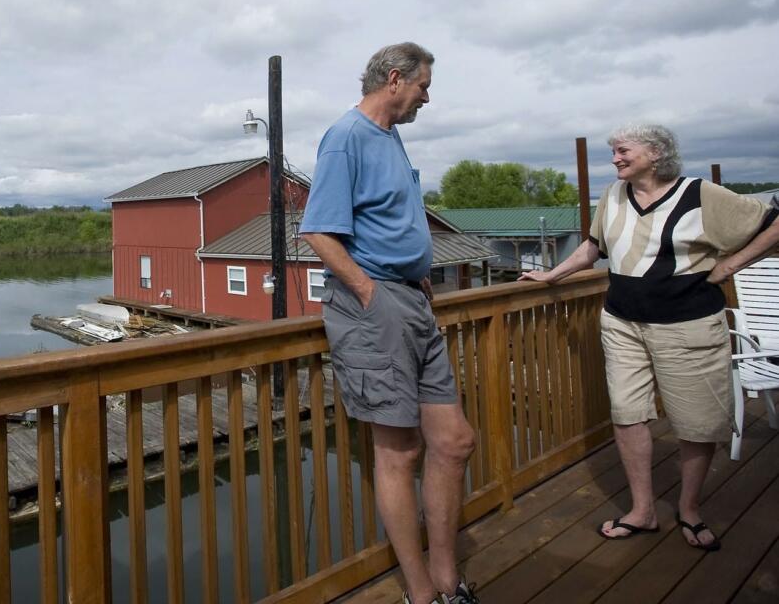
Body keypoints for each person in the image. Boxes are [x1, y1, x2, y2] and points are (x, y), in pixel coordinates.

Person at [520, 124, 779, 551]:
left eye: (623, 151)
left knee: (696, 422)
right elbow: (592, 248)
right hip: (622, 323)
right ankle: (642, 511)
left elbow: (772, 224)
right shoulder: (613, 195)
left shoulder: (701, 195)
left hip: (689, 325)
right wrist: (551, 274)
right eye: (614, 152)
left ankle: (690, 509)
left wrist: (730, 267)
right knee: (627, 413)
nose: (615, 158)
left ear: (656, 153)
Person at [300, 42, 477, 604]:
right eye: (424, 86)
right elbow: (319, 230)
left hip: (412, 301)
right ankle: (423, 593)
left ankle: (450, 579)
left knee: (453, 442)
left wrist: (415, 274)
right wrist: (370, 291)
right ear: (396, 79)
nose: (427, 97)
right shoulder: (346, 137)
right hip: (375, 309)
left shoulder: (390, 137)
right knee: (398, 453)